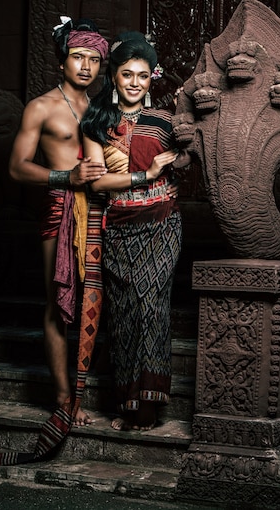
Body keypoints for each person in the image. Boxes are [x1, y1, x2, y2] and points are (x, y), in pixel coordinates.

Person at [9, 16, 108, 425]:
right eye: (77, 56)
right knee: (57, 303)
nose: (86, 66)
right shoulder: (42, 107)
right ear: (62, 60)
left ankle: (89, 388)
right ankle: (64, 397)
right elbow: (16, 168)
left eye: (94, 59)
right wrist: (65, 177)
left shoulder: (105, 106)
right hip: (61, 205)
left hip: (102, 210)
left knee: (96, 300)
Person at [81, 31, 182, 431]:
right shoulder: (97, 121)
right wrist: (149, 173)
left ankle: (150, 407)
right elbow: (96, 183)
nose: (135, 83)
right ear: (115, 77)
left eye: (142, 75)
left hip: (162, 224)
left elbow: (190, 157)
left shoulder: (166, 120)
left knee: (151, 305)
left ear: (152, 78)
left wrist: (180, 167)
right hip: (119, 229)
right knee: (123, 313)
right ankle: (127, 405)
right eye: (127, 75)